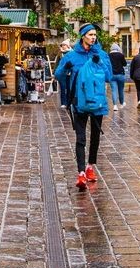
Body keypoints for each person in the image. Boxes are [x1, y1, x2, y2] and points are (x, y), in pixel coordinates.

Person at [54, 24, 113, 190]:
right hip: (79, 103)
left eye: (95, 35)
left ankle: (90, 167)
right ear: (83, 36)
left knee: (95, 136)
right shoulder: (71, 56)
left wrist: (100, 63)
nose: (93, 37)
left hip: (97, 103)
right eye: (90, 35)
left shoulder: (101, 54)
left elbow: (109, 76)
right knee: (80, 138)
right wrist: (66, 71)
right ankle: (81, 173)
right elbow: (58, 75)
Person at [108, 43, 128, 110]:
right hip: (120, 74)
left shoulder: (108, 55)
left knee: (114, 90)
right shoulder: (121, 55)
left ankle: (115, 106)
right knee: (121, 90)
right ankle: (121, 103)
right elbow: (124, 64)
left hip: (112, 75)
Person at [54, 40, 71, 106]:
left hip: (69, 73)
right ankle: (63, 103)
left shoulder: (71, 53)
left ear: (68, 45)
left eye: (64, 45)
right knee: (63, 88)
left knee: (69, 88)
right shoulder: (60, 53)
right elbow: (57, 63)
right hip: (61, 73)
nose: (63, 46)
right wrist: (54, 73)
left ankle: (69, 102)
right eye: (62, 45)